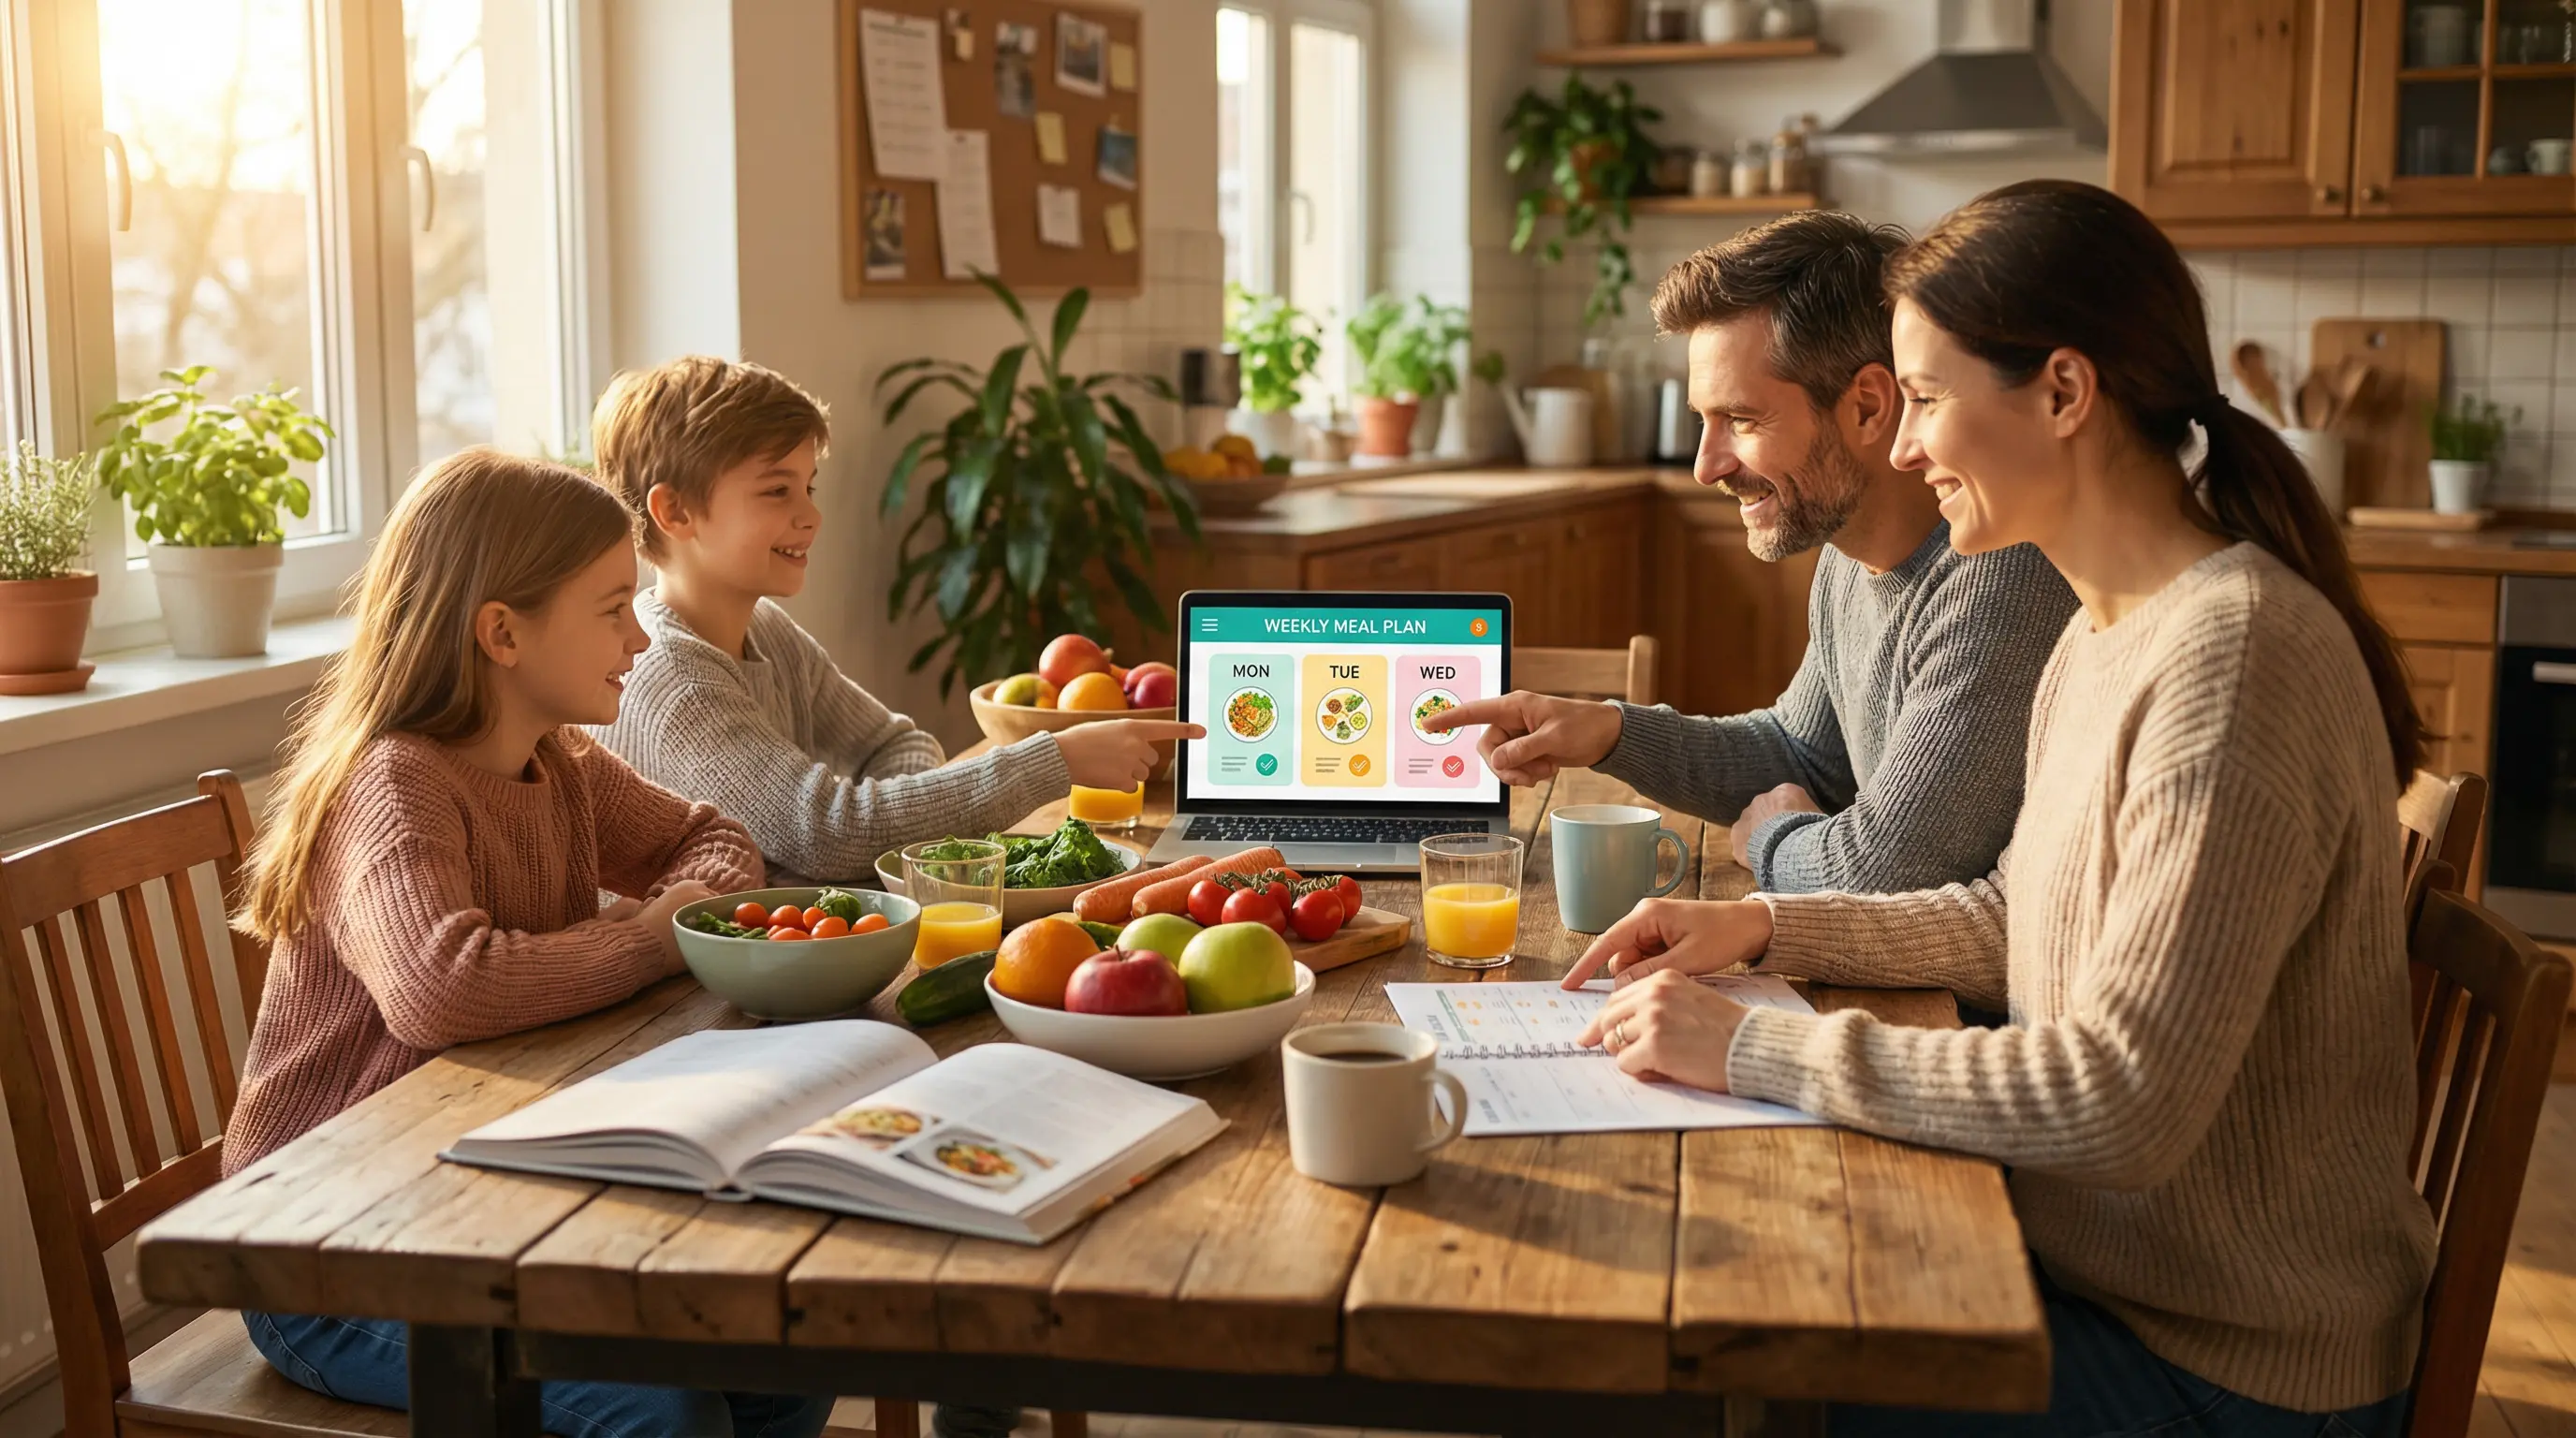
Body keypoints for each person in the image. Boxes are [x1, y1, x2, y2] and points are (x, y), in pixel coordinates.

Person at [1562, 181, 2435, 1435]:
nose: (1903, 449)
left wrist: (1756, 1044)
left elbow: (2117, 1099)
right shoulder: (2104, 630)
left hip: (2225, 1369)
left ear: (2065, 395)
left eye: (1923, 400)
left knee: (1739, 1366)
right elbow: (2013, 911)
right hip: (2103, 1279)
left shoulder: (2233, 659)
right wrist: (1767, 935)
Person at [226, 450, 831, 1437]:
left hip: (472, 1208)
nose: (639, 638)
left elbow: (711, 839)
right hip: (324, 1253)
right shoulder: (394, 785)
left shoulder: (562, 760)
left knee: (781, 1359)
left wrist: (668, 911)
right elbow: (442, 988)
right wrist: (652, 939)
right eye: (609, 609)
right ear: (501, 632)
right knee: (668, 1413)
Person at [1426, 212, 2076, 894]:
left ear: (1866, 407)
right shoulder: (1850, 556)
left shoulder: (1998, 576)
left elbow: (1883, 869)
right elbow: (1799, 755)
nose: (1707, 466)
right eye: (1702, 422)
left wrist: (1769, 838)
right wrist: (1609, 731)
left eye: (1740, 419)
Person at [586, 356, 1201, 886]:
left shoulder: (765, 629)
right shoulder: (675, 681)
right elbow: (830, 832)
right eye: (777, 492)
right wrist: (1055, 761)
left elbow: (897, 744)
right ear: (675, 511)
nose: (811, 517)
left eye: (809, 487)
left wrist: (868, 836)